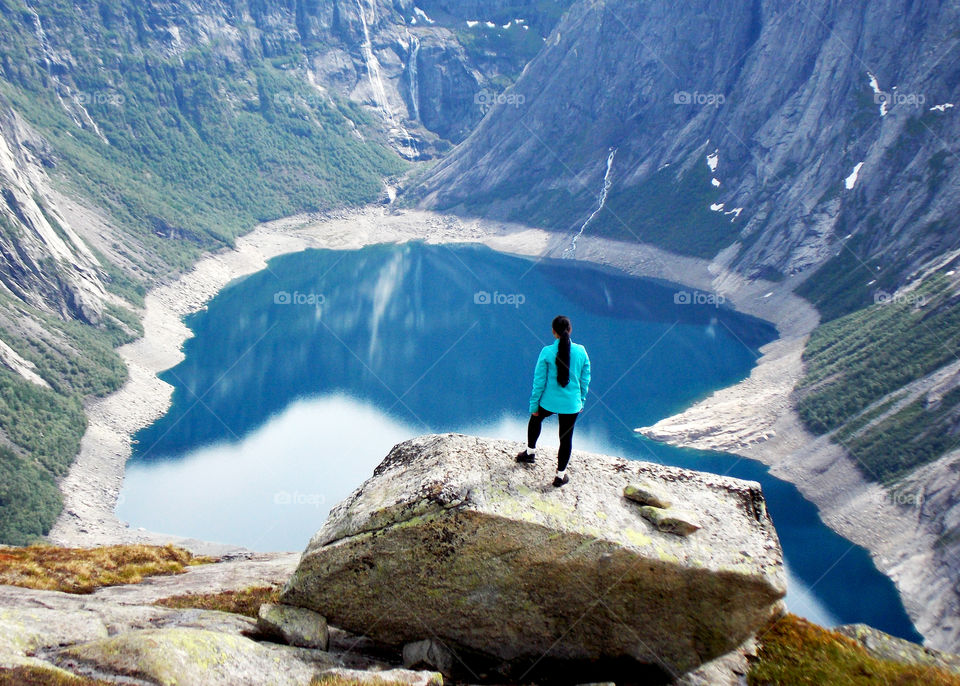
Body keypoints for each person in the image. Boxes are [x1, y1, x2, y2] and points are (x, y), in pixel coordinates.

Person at [517, 315, 591, 487]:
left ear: (553, 332)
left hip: (548, 402)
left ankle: (530, 453)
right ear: (570, 330)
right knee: (566, 439)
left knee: (536, 418)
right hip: (571, 405)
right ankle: (560, 476)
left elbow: (539, 381)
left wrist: (534, 405)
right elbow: (585, 379)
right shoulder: (581, 351)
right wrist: (581, 401)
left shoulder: (546, 352)